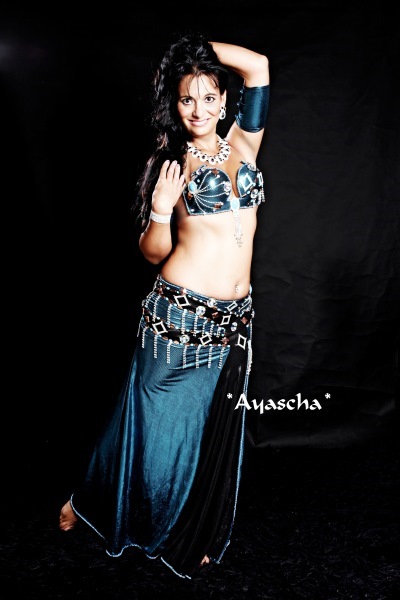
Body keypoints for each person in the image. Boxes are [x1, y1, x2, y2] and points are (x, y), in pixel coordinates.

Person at [59, 30, 270, 580]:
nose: (198, 109)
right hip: (179, 316)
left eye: (208, 97)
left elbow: (258, 65)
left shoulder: (245, 142)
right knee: (151, 424)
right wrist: (159, 209)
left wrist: (190, 53)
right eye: (186, 99)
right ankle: (94, 501)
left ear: (224, 101)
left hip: (234, 319)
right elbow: (154, 254)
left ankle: (191, 528)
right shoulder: (171, 162)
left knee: (208, 429)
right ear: (175, 107)